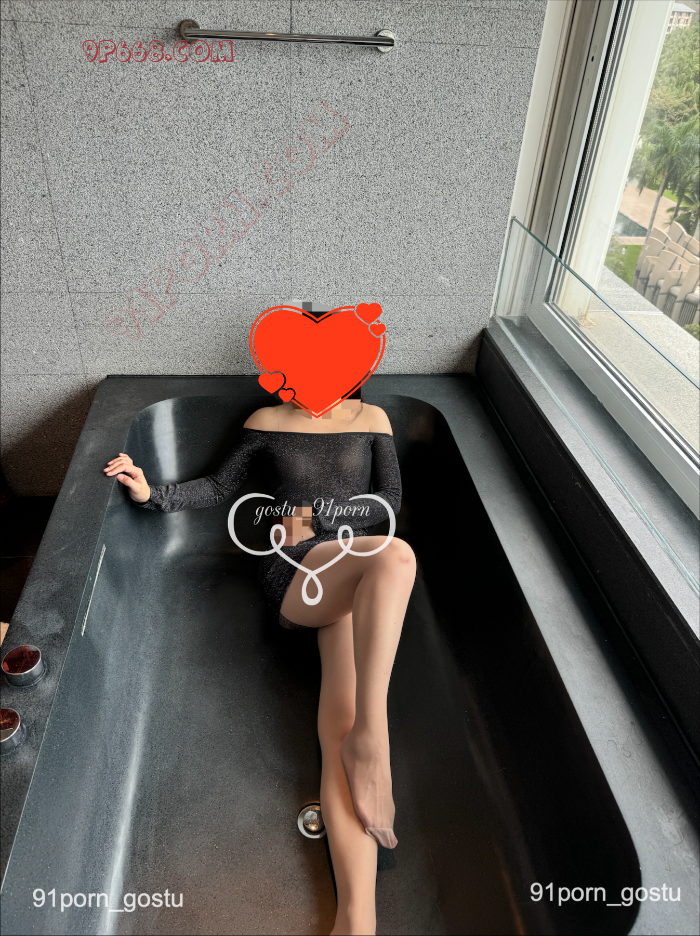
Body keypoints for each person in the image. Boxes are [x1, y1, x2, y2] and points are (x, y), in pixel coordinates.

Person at [103, 394, 417, 936]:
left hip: (353, 569)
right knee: (396, 555)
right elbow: (219, 487)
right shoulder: (268, 420)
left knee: (338, 726)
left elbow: (389, 500)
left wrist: (320, 515)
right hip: (297, 566)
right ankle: (374, 737)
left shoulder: (372, 419)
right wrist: (152, 493)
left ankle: (356, 919)